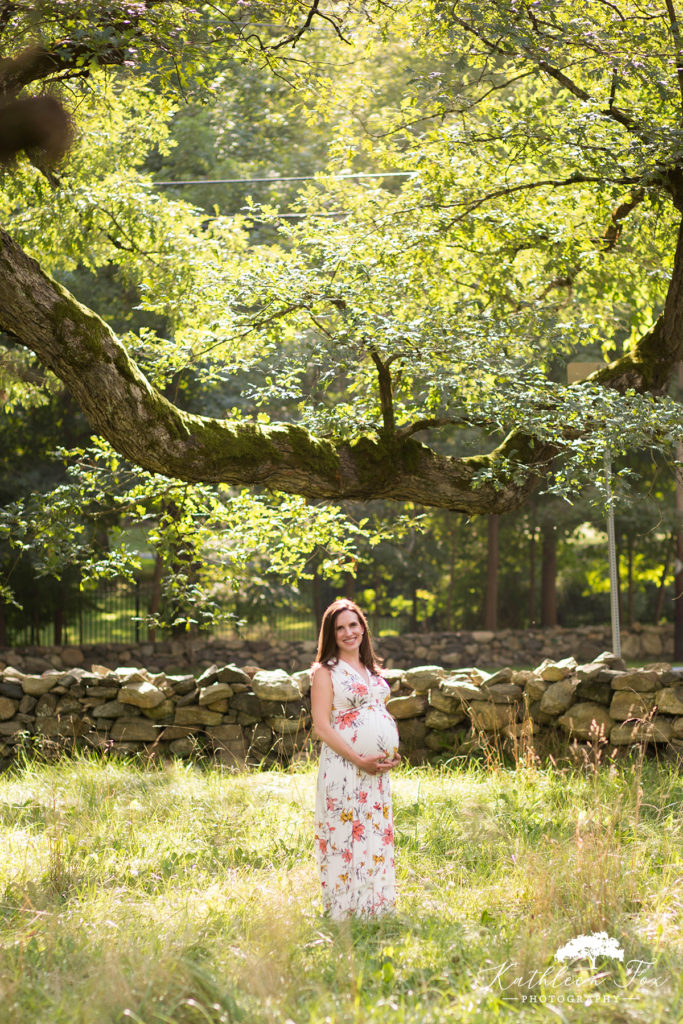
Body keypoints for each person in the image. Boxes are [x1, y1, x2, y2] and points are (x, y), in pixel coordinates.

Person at [310, 598, 401, 920]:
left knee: (374, 831)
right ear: (331, 634)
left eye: (353, 624)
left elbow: (378, 713)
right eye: (340, 628)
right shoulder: (325, 672)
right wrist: (358, 759)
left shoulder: (372, 671)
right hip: (344, 767)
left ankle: (376, 907)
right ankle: (346, 913)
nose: (349, 632)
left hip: (376, 771)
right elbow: (321, 726)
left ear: (363, 627)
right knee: (346, 833)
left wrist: (390, 751)